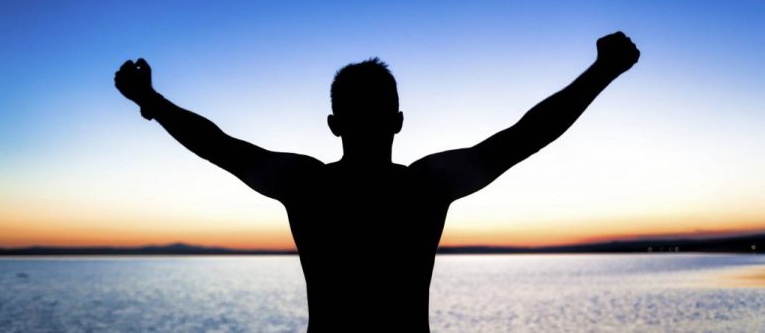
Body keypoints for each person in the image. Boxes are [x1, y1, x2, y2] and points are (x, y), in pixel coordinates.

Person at [115, 31, 639, 332]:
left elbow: (219, 145)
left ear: (333, 125)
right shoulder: (425, 186)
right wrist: (602, 71)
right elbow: (524, 137)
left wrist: (152, 102)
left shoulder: (306, 185)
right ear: (399, 122)